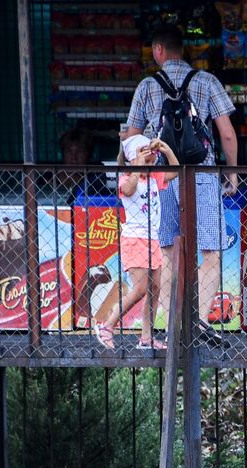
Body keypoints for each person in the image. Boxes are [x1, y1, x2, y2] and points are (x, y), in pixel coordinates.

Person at [124, 25, 238, 342]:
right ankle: (197, 321)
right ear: (182, 49)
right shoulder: (206, 81)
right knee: (212, 251)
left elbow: (132, 138)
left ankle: (176, 322)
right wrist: (232, 171)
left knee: (168, 253)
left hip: (162, 178)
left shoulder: (147, 86)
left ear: (159, 49)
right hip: (201, 174)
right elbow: (227, 133)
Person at [91, 135, 178, 351]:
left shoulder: (154, 176)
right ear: (132, 157)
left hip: (152, 239)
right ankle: (107, 325)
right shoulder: (127, 177)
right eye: (143, 151)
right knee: (140, 288)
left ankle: (146, 338)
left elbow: (175, 172)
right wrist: (138, 165)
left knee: (155, 288)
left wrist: (167, 150)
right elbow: (128, 190)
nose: (149, 154)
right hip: (135, 239)